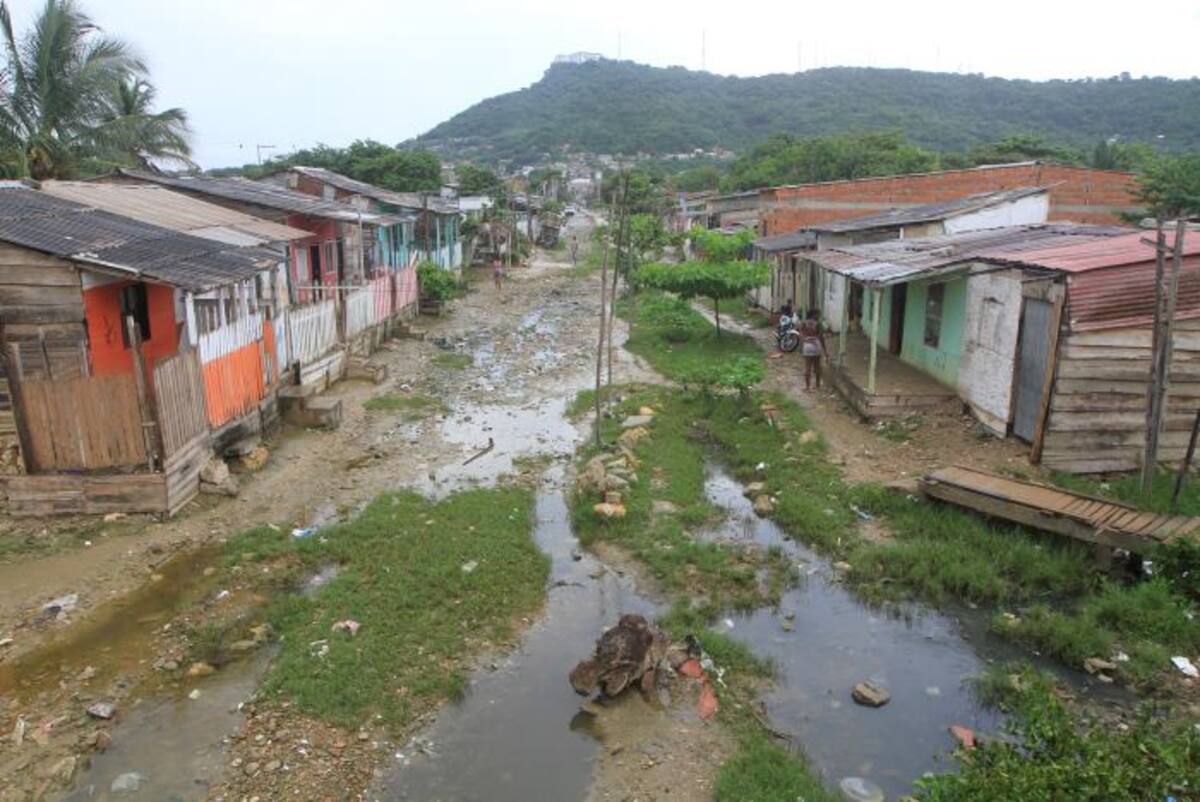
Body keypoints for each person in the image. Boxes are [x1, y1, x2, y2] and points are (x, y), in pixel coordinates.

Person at [799, 309, 827, 390]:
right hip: (816, 345)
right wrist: (825, 351)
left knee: (807, 367)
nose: (819, 316)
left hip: (807, 346)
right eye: (818, 314)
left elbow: (801, 336)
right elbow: (821, 337)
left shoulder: (804, 323)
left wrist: (802, 347)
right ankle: (817, 385)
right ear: (813, 314)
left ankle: (807, 386)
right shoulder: (818, 324)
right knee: (817, 367)